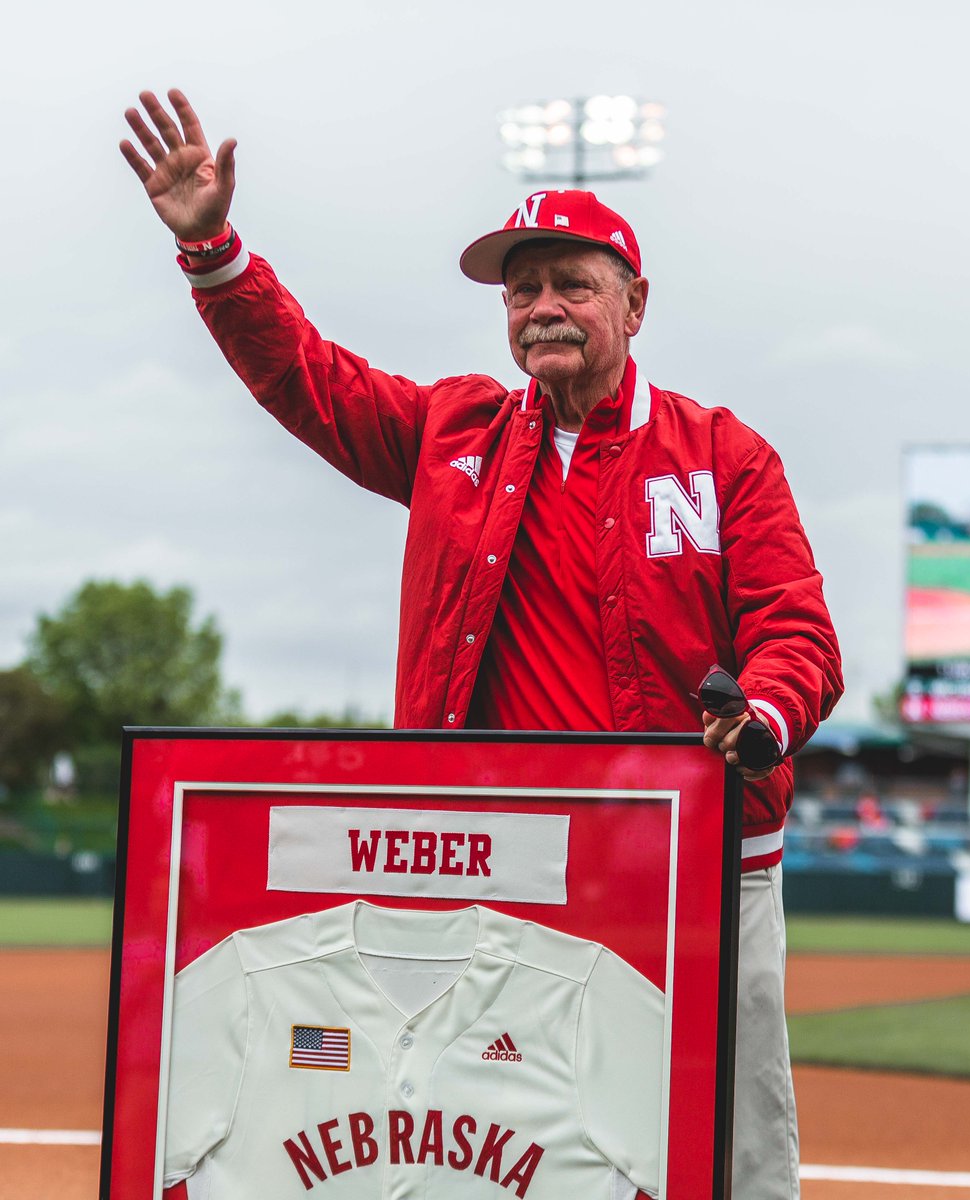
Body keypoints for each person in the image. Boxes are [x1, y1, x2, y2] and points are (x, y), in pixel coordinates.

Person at [121, 88, 843, 1200]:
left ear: (632, 304)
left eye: (570, 285)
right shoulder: (450, 430)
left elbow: (796, 625)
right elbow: (307, 378)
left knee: (734, 1142)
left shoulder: (720, 456)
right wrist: (214, 250)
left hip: (694, 857)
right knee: (495, 1136)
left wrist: (761, 715)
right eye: (522, 292)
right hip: (507, 853)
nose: (542, 308)